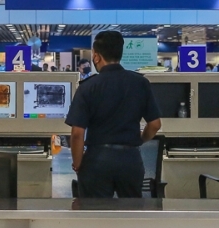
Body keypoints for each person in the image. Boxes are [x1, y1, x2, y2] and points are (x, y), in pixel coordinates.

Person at [65, 31, 162, 198]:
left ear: (96, 56)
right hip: (130, 160)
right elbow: (155, 125)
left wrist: (78, 163)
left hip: (97, 160)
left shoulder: (88, 87)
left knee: (95, 211)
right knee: (131, 211)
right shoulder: (140, 83)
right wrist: (140, 140)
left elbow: (77, 134)